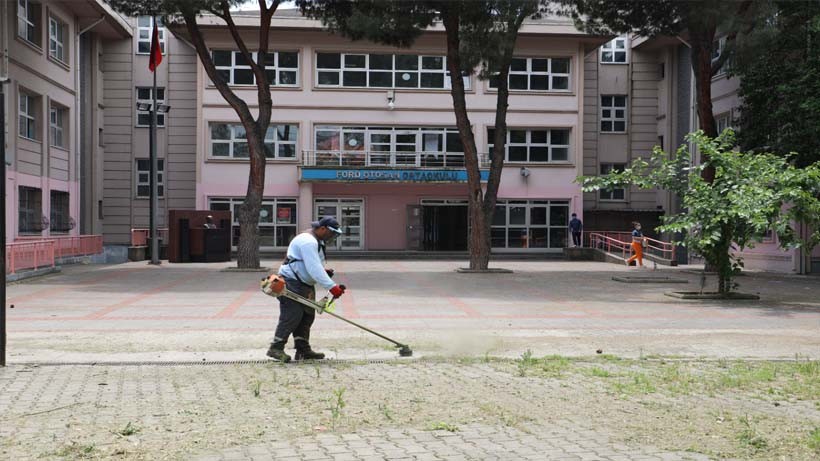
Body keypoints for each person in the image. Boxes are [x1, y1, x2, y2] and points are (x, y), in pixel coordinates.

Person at [266, 217, 346, 362]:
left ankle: (303, 350)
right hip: (291, 282)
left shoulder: (316, 240)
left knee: (307, 316)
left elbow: (313, 265)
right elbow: (313, 267)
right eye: (332, 233)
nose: (333, 237)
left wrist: (324, 271)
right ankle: (275, 348)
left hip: (303, 284)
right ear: (323, 229)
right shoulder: (308, 241)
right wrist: (332, 287)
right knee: (292, 315)